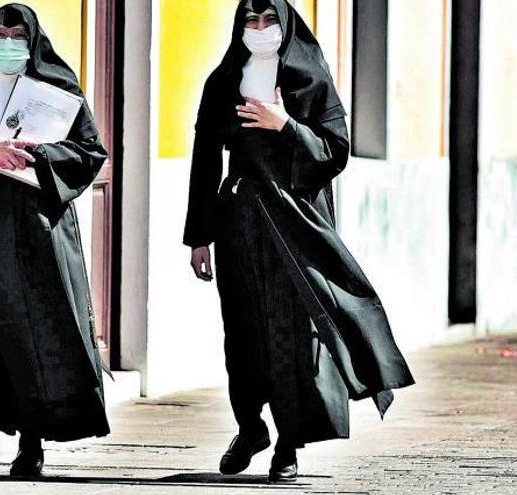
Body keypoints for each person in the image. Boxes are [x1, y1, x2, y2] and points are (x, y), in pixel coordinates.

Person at [184, 0, 414, 484]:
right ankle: (251, 428)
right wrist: (199, 237)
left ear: (286, 25)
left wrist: (285, 125)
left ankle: (288, 444)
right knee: (242, 334)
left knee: (294, 334)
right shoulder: (223, 81)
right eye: (251, 20)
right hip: (240, 223)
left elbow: (335, 151)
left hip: (297, 224)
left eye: (269, 20)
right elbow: (205, 160)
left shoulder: (311, 78)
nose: (261, 28)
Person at [0, 3, 109, 477]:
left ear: (33, 42)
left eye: (17, 34)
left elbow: (91, 151)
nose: (8, 42)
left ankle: (31, 443)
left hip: (40, 228)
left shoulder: (58, 89)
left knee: (37, 334)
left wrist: (39, 155)